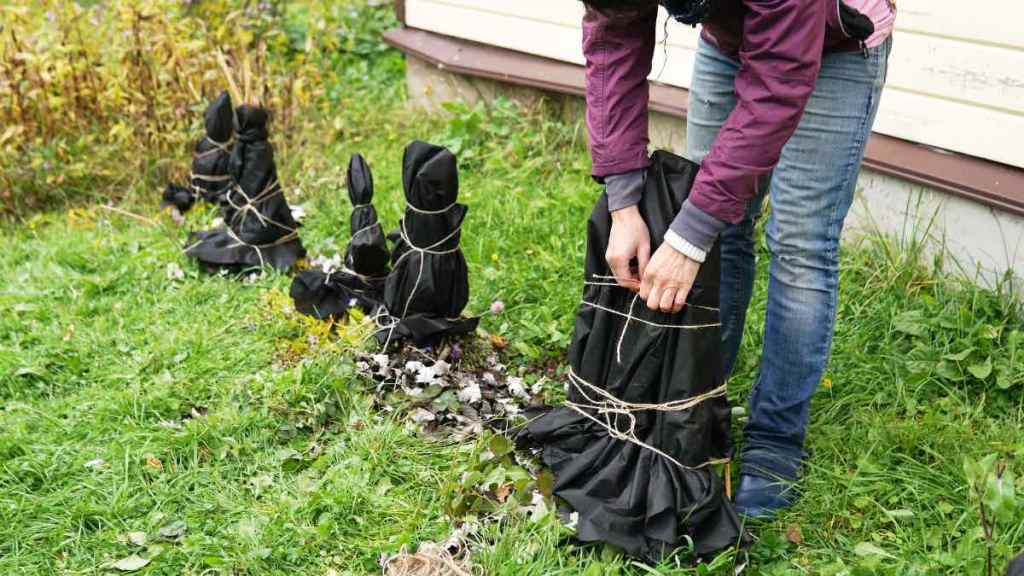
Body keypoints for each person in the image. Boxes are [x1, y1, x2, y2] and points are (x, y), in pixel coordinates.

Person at [582, 0, 894, 518]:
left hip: (833, 43)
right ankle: (699, 402)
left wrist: (689, 234)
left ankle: (775, 439)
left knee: (800, 245)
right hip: (731, 40)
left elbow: (778, 82)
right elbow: (614, 36)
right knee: (720, 236)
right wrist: (622, 201)